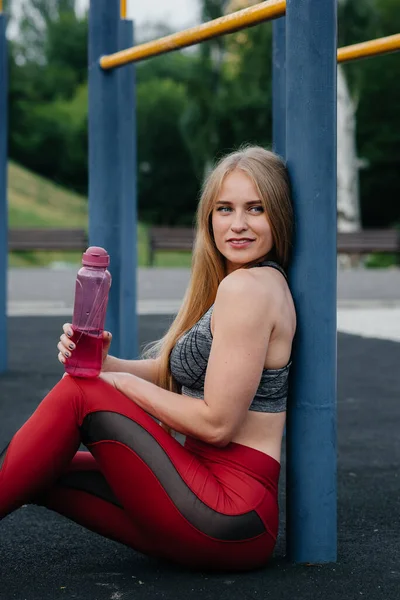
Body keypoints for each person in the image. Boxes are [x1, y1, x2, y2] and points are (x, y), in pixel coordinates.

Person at [0, 145, 296, 572]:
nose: (237, 224)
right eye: (224, 209)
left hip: (227, 510)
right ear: (207, 218)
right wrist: (110, 366)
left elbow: (217, 425)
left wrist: (114, 386)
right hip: (198, 497)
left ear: (279, 216)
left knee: (80, 394)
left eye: (256, 209)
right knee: (41, 465)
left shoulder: (249, 290)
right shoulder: (236, 284)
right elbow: (181, 375)